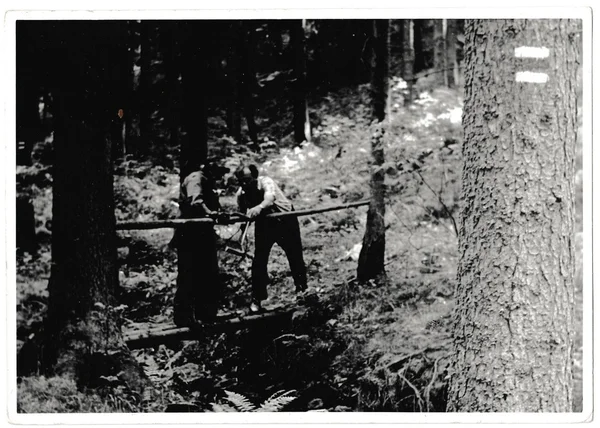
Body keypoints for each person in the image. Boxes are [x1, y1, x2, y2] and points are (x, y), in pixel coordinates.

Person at [235, 164, 307, 313]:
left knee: (294, 256)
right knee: (259, 260)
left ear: (254, 177)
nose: (244, 184)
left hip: (284, 220)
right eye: (241, 181)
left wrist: (258, 207)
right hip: (265, 224)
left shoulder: (265, 181)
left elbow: (269, 198)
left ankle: (302, 291)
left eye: (247, 180)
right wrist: (242, 227)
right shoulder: (241, 194)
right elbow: (243, 213)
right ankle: (257, 299)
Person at [173, 163, 224, 327]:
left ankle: (207, 313)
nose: (218, 177)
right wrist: (210, 213)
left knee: (208, 272)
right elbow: (196, 202)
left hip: (203, 234)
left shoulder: (209, 183)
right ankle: (184, 317)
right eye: (217, 173)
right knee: (189, 273)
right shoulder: (196, 178)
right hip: (189, 234)